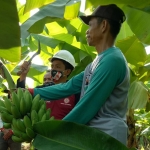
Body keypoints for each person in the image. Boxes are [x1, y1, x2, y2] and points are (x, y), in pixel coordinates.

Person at [27, 4, 130, 145]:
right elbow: (68, 87)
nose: (87, 31)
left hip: (108, 136)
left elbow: (88, 105)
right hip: (93, 134)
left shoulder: (112, 60)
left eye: (90, 25)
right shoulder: (96, 63)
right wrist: (32, 92)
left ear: (104, 25)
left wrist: (56, 133)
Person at [17, 50, 80, 120]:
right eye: (52, 66)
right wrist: (23, 75)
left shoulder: (75, 92)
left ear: (67, 71)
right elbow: (21, 98)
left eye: (57, 67)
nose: (53, 69)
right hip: (42, 129)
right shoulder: (42, 89)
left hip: (65, 129)